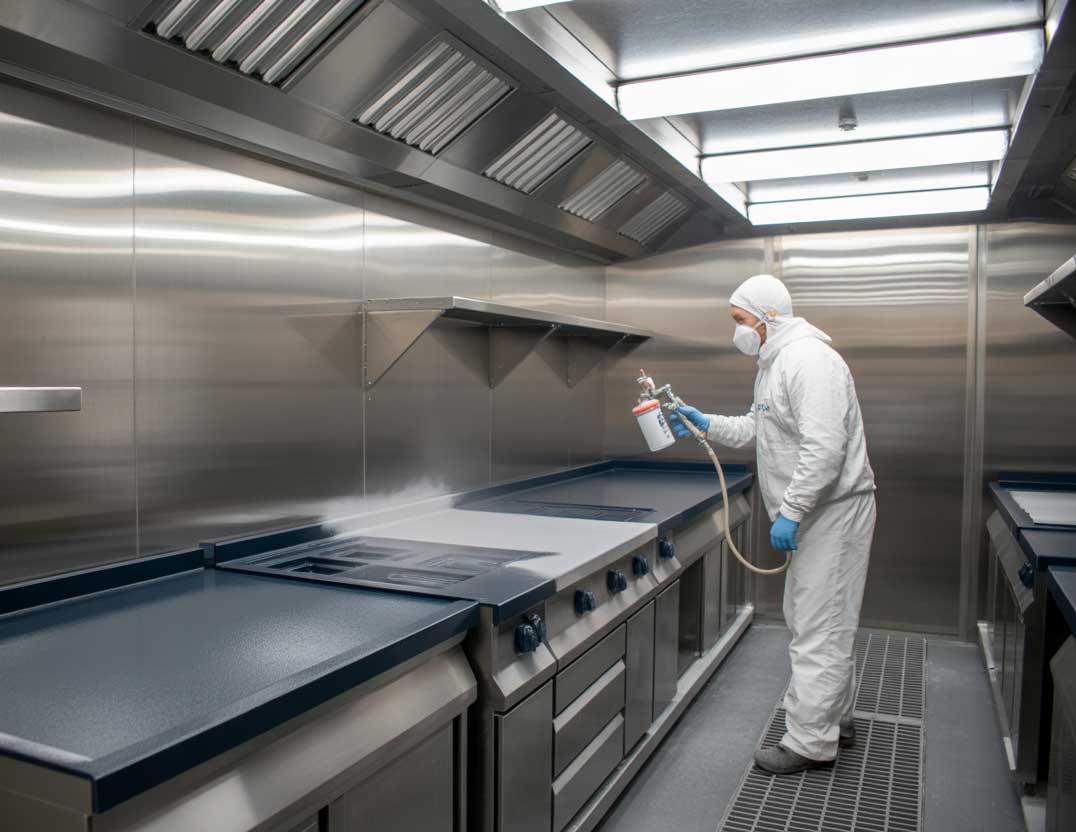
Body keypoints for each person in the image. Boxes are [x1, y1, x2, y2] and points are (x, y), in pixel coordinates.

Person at [669, 273, 876, 775]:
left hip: (833, 512)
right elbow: (758, 428)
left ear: (769, 317)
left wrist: (793, 510)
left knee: (819, 627)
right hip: (814, 513)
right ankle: (835, 718)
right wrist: (705, 423)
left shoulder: (809, 361)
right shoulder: (774, 363)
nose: (737, 330)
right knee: (817, 619)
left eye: (740, 320)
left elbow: (825, 449)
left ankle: (810, 742)